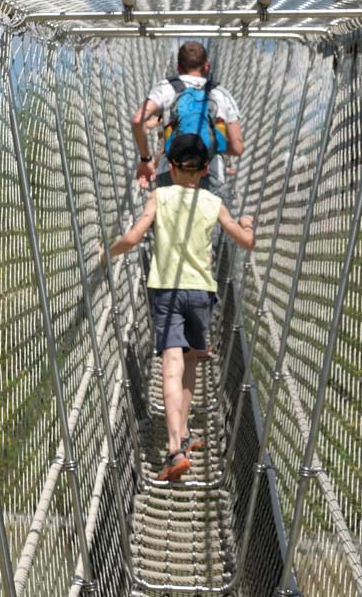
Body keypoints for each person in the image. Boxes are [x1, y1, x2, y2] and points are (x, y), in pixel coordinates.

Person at [102, 134, 256, 482]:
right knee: (189, 364)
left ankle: (173, 449)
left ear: (169, 167)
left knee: (170, 363)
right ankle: (183, 434)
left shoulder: (160, 196)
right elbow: (245, 240)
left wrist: (105, 254)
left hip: (167, 292)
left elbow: (133, 237)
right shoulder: (214, 203)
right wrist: (248, 224)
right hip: (201, 293)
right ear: (205, 169)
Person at [131, 41, 244, 193]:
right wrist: (212, 145)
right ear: (206, 67)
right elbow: (237, 148)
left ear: (178, 68)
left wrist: (146, 160)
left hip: (171, 171)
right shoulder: (220, 94)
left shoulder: (165, 88)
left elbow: (138, 120)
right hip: (210, 173)